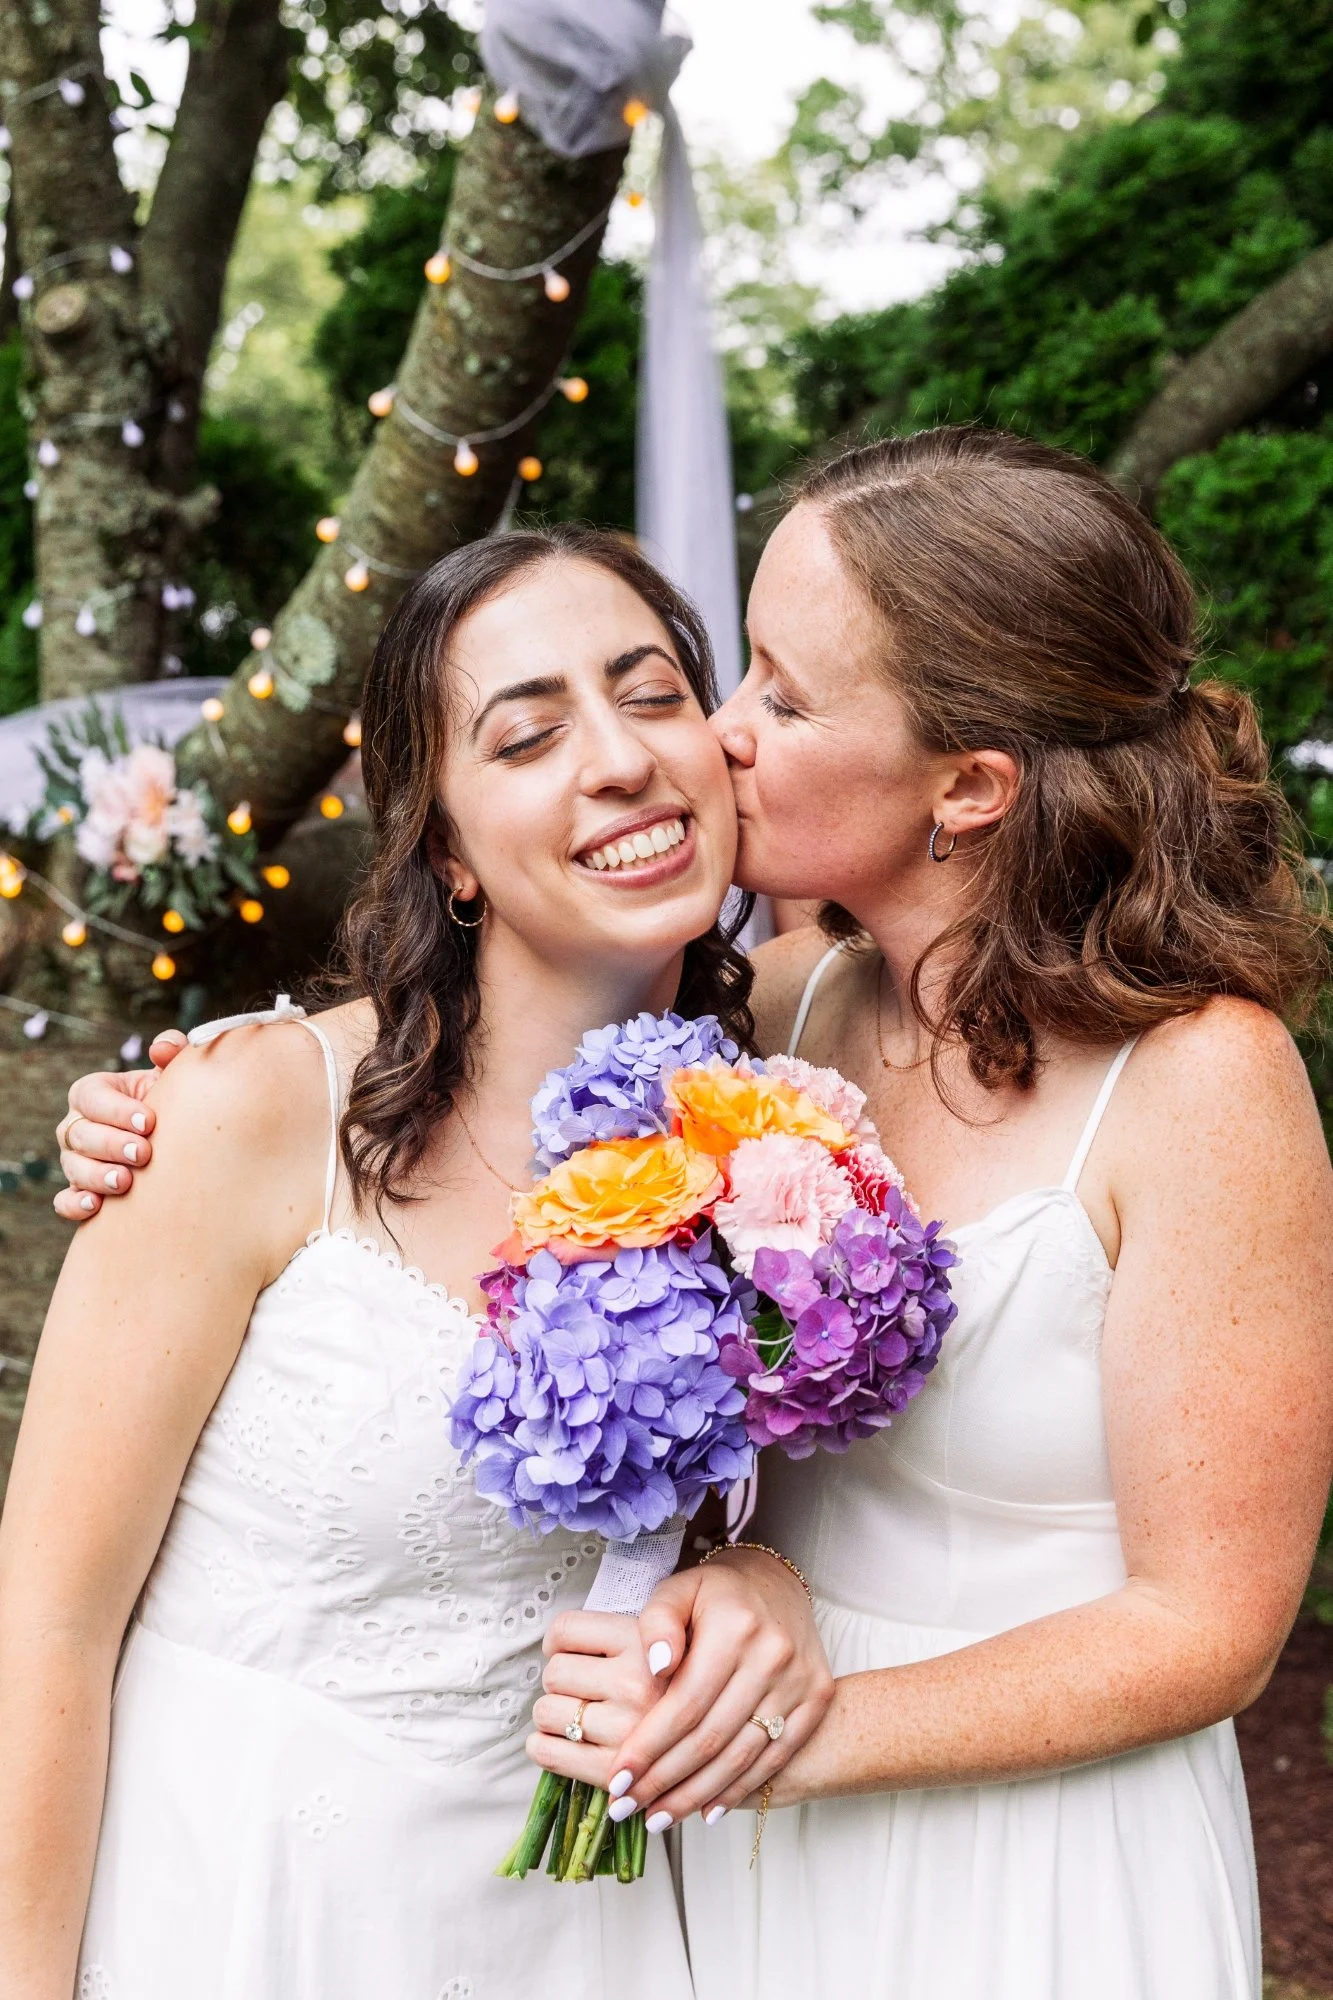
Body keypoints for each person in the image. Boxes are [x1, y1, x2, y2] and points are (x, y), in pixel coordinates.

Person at [57, 430, 1333, 1995]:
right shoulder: (770, 1031)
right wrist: (161, 1107)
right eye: (734, 680)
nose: (711, 743)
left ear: (972, 785)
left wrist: (798, 1713)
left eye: (768, 697)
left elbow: (1215, 1624)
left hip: (1003, 1855)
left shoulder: (1201, 1079)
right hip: (708, 1875)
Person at [0, 526, 830, 2000]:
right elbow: (48, 1627)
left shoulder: (775, 1135)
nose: (622, 760)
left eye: (651, 696)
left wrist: (762, 1573)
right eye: (528, 736)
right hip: (250, 1908)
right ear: (443, 842)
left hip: (587, 1930)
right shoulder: (245, 1114)